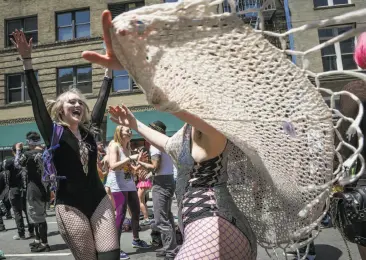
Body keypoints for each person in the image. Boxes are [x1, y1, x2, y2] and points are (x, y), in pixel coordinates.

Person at [11, 29, 119, 260]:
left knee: (111, 258)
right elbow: (37, 101)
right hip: (70, 207)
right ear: (61, 109)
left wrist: (109, 68)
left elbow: (102, 99)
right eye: (71, 102)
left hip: (99, 201)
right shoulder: (54, 133)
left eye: (80, 101)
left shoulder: (90, 132)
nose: (77, 104)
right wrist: (27, 61)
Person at [106, 126, 150, 260]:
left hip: (129, 183)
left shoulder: (127, 146)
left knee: (136, 211)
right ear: (119, 132)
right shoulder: (115, 146)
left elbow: (129, 168)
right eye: (127, 130)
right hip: (118, 184)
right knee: (120, 214)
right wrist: (130, 157)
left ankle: (136, 239)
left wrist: (140, 164)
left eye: (130, 130)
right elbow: (113, 166)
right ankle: (116, 248)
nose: (130, 132)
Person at [135, 121, 177, 259]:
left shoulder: (155, 146)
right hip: (169, 180)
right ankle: (169, 248)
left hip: (162, 182)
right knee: (168, 217)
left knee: (161, 220)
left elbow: (155, 167)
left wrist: (139, 162)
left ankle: (170, 252)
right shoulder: (165, 142)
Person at [14, 132, 50, 252]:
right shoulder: (46, 152)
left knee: (38, 218)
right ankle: (38, 240)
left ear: (30, 142)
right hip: (44, 189)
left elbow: (17, 164)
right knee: (37, 216)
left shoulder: (29, 154)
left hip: (34, 190)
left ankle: (44, 243)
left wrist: (18, 150)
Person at [3, 143, 34, 240]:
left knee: (17, 212)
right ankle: (31, 231)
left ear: (13, 151)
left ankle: (21, 234)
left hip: (14, 189)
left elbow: (4, 167)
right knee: (27, 211)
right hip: (25, 188)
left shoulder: (9, 162)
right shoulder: (26, 161)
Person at [133, 146, 152, 226]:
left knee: (140, 201)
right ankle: (146, 216)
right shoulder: (145, 160)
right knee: (143, 201)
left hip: (143, 182)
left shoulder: (143, 160)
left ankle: (146, 218)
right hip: (144, 182)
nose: (138, 153)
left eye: (139, 151)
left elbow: (136, 169)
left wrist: (129, 164)